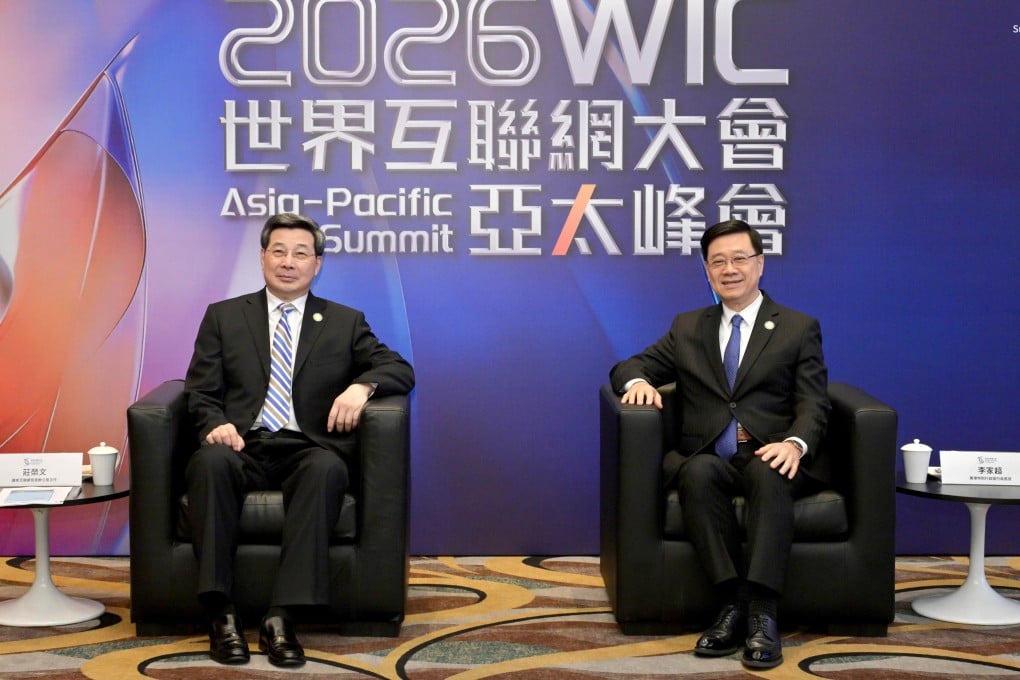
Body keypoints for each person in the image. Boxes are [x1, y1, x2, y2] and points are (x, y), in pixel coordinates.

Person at [184, 212, 415, 667]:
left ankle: (281, 617)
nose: (289, 262)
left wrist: (361, 386)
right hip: (240, 442)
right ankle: (221, 613)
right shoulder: (224, 316)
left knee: (328, 469)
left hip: (305, 447)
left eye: (301, 253)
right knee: (209, 463)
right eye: (279, 251)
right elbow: (200, 389)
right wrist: (215, 422)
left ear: (318, 264)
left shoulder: (344, 322)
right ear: (262, 257)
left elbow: (400, 368)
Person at [609, 219, 829, 669]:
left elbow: (813, 401)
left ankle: (763, 612)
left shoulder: (797, 328)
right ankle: (731, 604)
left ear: (760, 264)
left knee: (770, 473)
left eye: (739, 259)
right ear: (708, 271)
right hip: (708, 454)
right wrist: (637, 382)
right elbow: (629, 365)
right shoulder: (689, 327)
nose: (730, 269)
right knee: (696, 472)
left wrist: (794, 443)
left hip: (768, 450)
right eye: (718, 261)